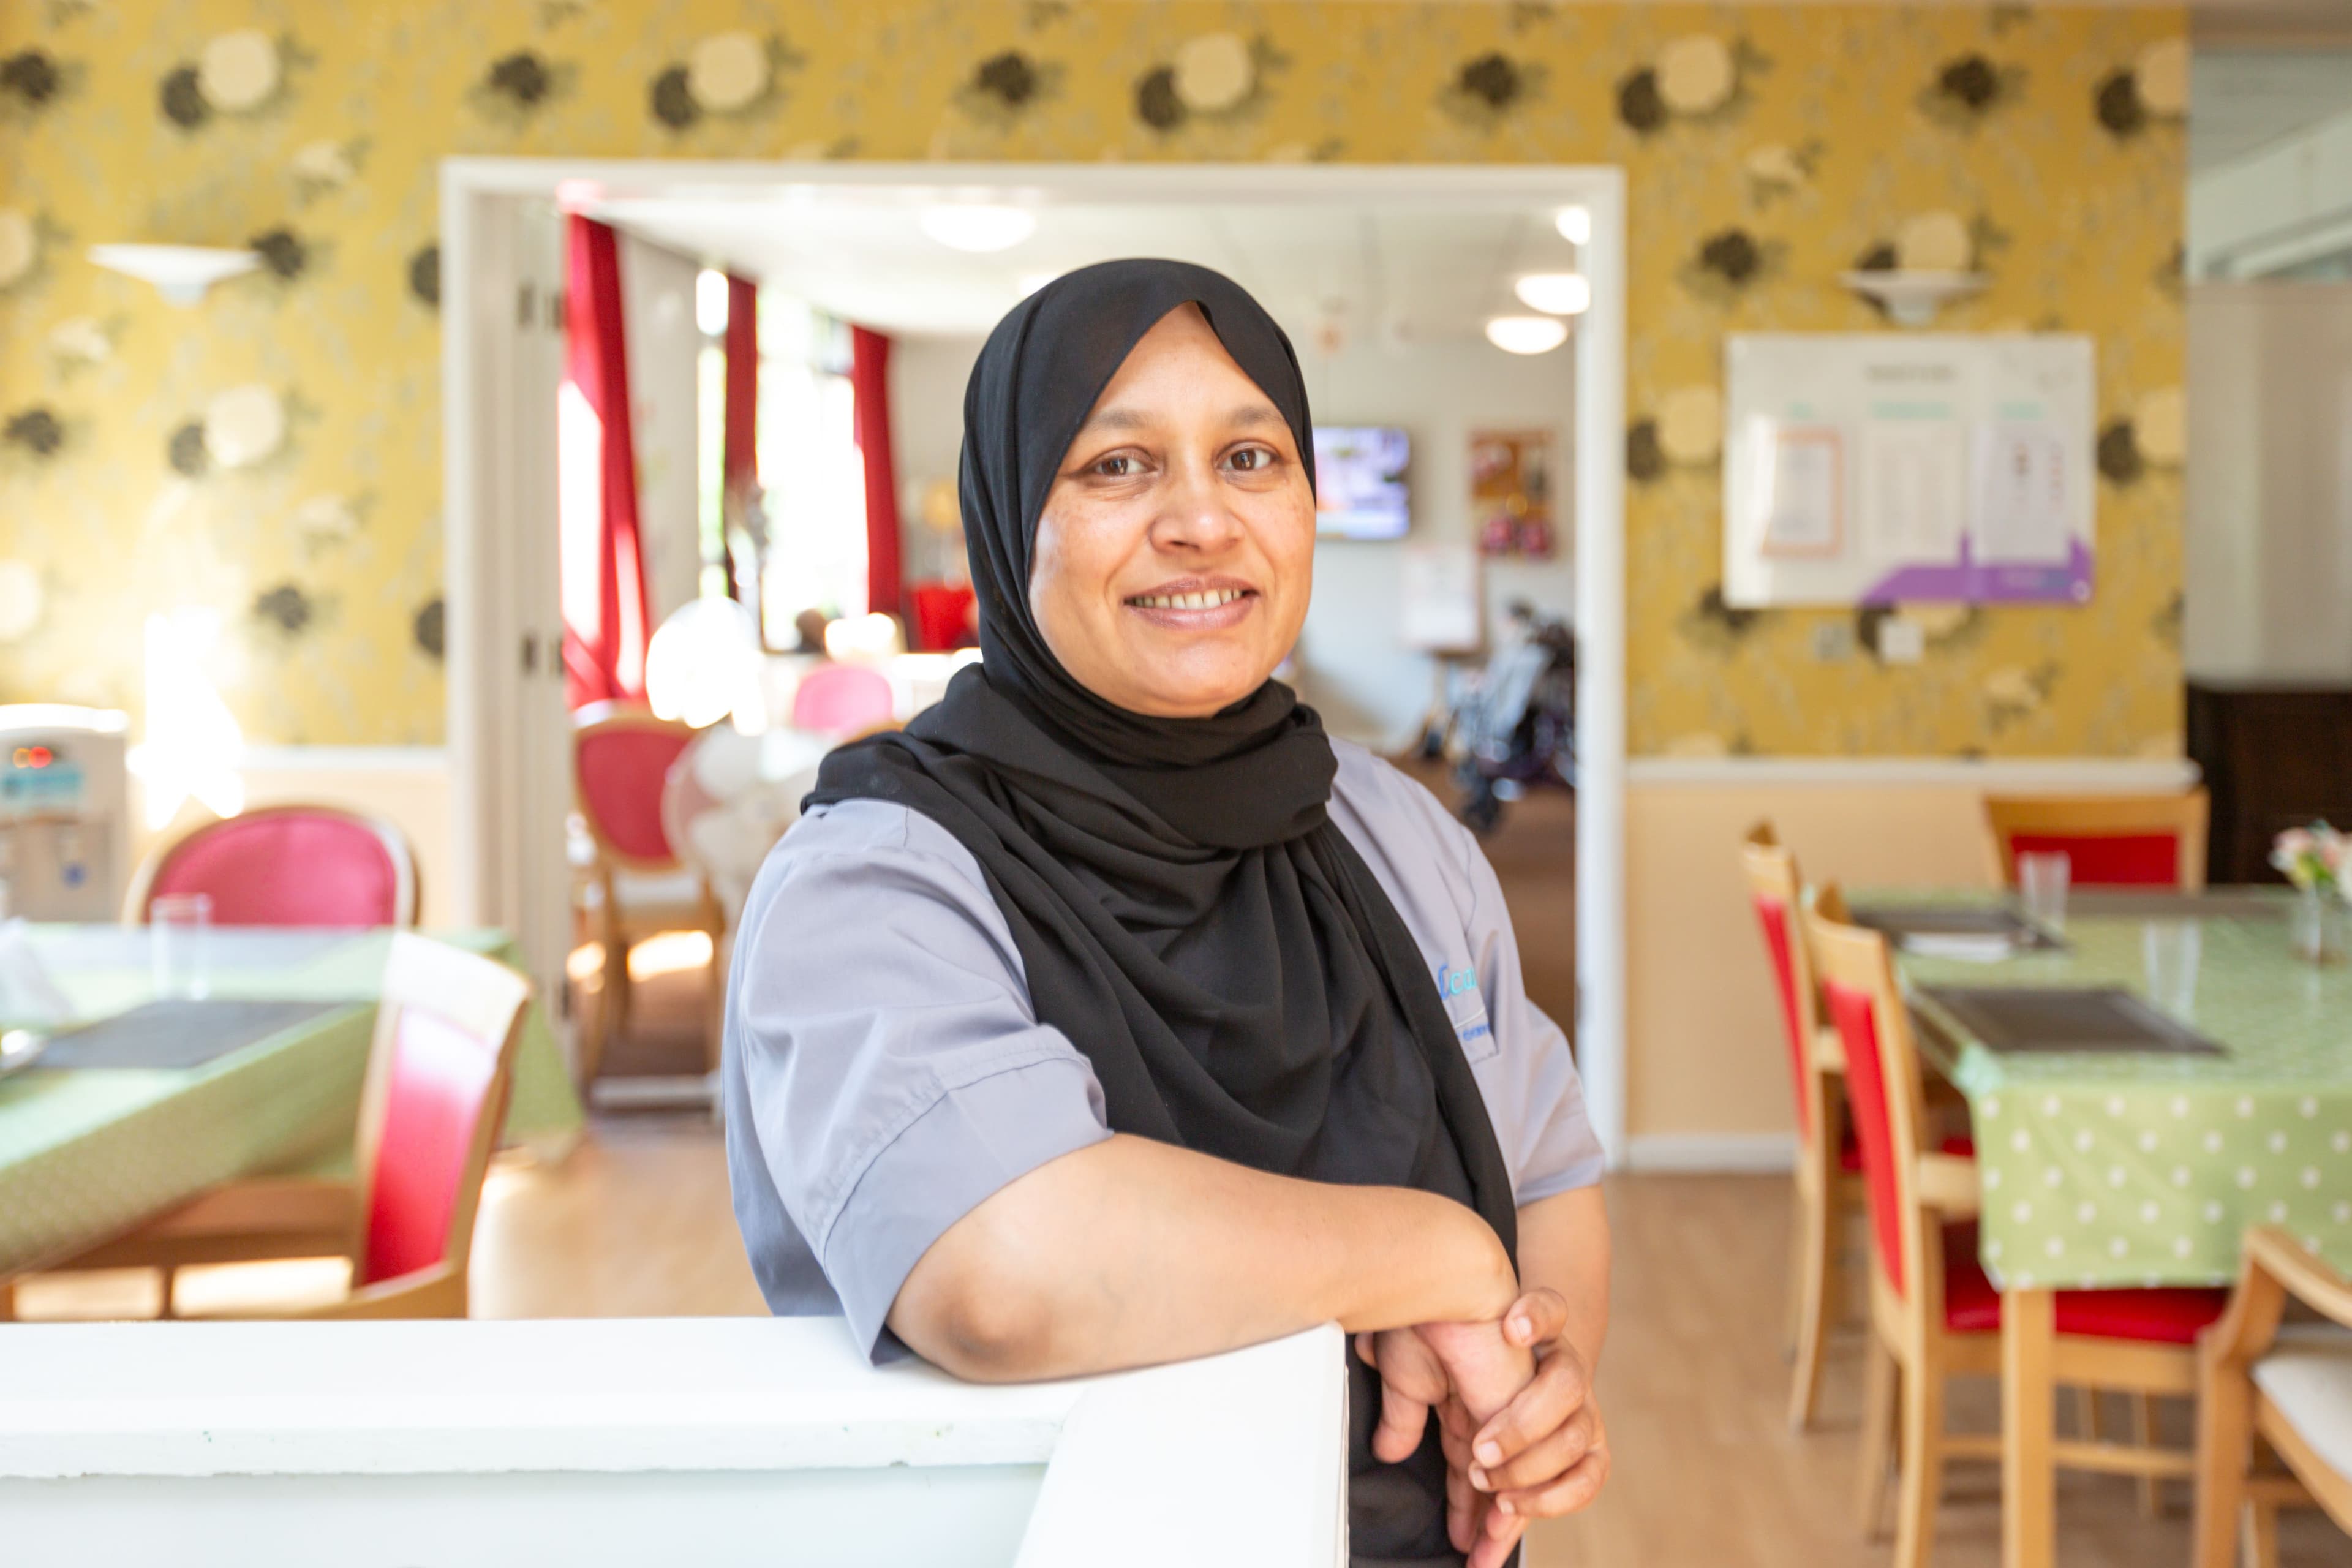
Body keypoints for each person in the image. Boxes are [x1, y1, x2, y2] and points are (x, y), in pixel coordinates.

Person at [723, 258, 1610, 1567]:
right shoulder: (881, 875)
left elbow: (1546, 1172)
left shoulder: (1396, 830)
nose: (1201, 519)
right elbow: (1004, 1269)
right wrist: (1432, 1254)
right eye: (1117, 467)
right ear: (1014, 514)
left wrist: (1540, 1370)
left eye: (1250, 456)